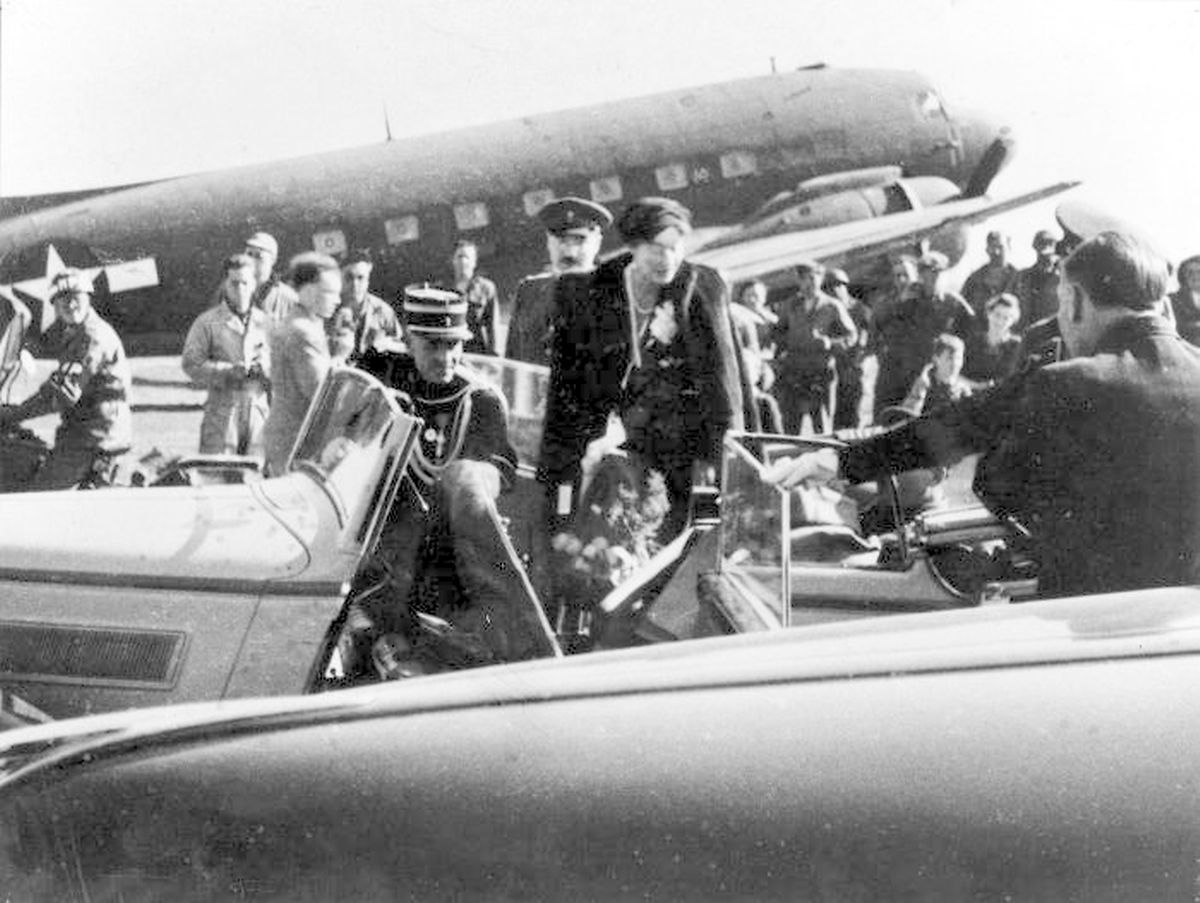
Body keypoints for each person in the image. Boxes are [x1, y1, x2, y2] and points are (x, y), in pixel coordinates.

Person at [771, 230, 1200, 599]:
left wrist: (840, 461)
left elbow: (989, 471)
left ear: (1075, 302)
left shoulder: (1068, 382)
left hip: (1083, 614)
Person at [345, 285, 559, 673]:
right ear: (408, 340)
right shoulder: (382, 380)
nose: (445, 357)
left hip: (449, 546)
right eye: (432, 345)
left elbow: (494, 474)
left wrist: (474, 478)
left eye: (453, 345)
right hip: (381, 529)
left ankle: (526, 650)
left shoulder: (480, 400)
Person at [540, 195, 746, 542]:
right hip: (613, 447)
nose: (667, 258)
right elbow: (567, 392)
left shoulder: (700, 289)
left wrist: (727, 464)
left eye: (675, 247)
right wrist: (560, 469)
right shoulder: (589, 293)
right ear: (634, 245)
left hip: (684, 451)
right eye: (655, 247)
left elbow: (725, 386)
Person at [0, 270, 132, 490]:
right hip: (93, 430)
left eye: (76, 297)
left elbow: (64, 393)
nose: (70, 305)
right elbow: (57, 382)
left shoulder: (91, 336)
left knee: (36, 497)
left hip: (92, 436)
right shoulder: (77, 331)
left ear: (88, 297)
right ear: (54, 305)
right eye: (63, 300)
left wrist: (13, 414)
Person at [181, 253, 272, 457]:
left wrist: (266, 369)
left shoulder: (267, 323)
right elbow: (190, 364)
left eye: (245, 283)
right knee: (218, 475)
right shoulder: (208, 322)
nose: (240, 289)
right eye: (234, 283)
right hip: (222, 412)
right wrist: (227, 371)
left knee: (256, 476)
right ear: (224, 284)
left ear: (254, 284)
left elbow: (283, 366)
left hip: (258, 410)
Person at [505, 196, 612, 365]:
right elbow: (513, 361)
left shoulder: (611, 293)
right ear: (549, 242)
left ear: (597, 243)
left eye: (579, 241)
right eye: (561, 241)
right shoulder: (528, 291)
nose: (569, 252)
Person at [261, 253, 341, 475]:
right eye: (330, 293)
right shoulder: (304, 332)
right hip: (295, 441)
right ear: (308, 290)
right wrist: (341, 357)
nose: (338, 300)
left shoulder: (303, 325)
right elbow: (319, 392)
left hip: (287, 437)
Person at [872, 251, 972, 416]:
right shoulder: (908, 300)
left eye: (936, 275)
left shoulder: (952, 302)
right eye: (926, 275)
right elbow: (881, 323)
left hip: (933, 372)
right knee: (890, 416)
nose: (931, 280)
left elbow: (971, 327)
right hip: (901, 370)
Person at [772, 260, 857, 434]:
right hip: (794, 372)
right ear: (799, 281)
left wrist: (830, 343)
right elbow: (778, 332)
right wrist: (787, 345)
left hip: (821, 372)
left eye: (814, 277)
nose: (809, 282)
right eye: (804, 279)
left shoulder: (832, 306)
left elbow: (851, 335)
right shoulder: (790, 305)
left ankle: (823, 457)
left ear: (821, 279)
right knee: (791, 424)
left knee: (822, 425)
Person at [328, 249, 404, 364]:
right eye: (349, 277)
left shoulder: (382, 311)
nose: (355, 285)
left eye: (360, 278)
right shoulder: (327, 310)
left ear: (368, 280)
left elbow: (399, 346)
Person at [731, 279, 783, 433]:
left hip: (766, 369)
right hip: (746, 368)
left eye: (757, 296)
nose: (752, 300)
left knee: (768, 406)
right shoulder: (736, 315)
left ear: (764, 297)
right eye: (749, 295)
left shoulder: (771, 319)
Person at [825, 267, 872, 430]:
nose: (834, 290)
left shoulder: (860, 309)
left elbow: (868, 334)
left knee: (854, 411)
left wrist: (861, 355)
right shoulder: (826, 309)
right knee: (835, 414)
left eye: (839, 286)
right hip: (833, 366)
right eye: (829, 287)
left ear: (845, 287)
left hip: (854, 365)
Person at [899, 333, 970, 417]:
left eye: (958, 358)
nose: (955, 364)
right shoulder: (923, 384)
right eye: (949, 358)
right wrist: (921, 392)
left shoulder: (962, 389)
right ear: (936, 358)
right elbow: (907, 417)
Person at [963, 292, 1023, 388]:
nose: (1000, 321)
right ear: (988, 314)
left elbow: (1010, 380)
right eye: (997, 315)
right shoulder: (972, 341)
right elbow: (956, 372)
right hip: (966, 391)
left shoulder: (1017, 346)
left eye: (1006, 318)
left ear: (1013, 321)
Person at [450, 240, 499, 355]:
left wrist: (494, 355)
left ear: (474, 262)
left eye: (467, 257)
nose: (463, 261)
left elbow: (493, 326)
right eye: (459, 257)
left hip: (476, 353)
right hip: (451, 351)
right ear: (453, 261)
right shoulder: (444, 289)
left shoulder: (486, 288)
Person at [960, 230, 1019, 319]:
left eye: (1000, 247)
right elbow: (961, 309)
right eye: (992, 247)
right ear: (987, 250)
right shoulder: (974, 279)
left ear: (1009, 247)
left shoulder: (1020, 278)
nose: (996, 252)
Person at [245, 231, 299, 325]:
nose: (252, 260)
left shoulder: (289, 298)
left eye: (258, 256)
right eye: (249, 254)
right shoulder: (229, 291)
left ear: (272, 260)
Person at [1013, 228, 1062, 330]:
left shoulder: (1063, 276)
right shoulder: (1022, 277)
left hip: (1054, 330)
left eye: (1049, 243)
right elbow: (1009, 305)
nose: (1045, 247)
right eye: (1041, 243)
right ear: (1034, 246)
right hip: (1027, 332)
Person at [1170, 254, 1200, 346]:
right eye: (1190, 272)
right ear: (1183, 276)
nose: (1195, 276)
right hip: (1186, 350)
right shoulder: (1172, 300)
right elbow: (1172, 328)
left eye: (1199, 272)